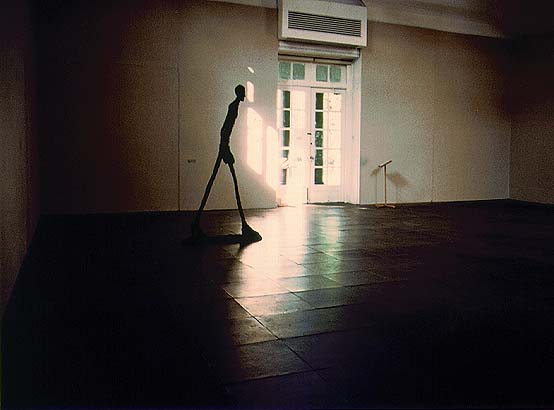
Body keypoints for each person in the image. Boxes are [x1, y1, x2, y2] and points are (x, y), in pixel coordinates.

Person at [191, 84, 262, 242]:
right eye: (243, 92)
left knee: (214, 179)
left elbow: (225, 130)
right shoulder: (233, 107)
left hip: (224, 144)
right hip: (224, 145)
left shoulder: (234, 106)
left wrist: (225, 147)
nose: (244, 95)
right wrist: (226, 148)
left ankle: (197, 221)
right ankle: (243, 225)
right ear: (238, 93)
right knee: (225, 181)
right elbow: (225, 129)